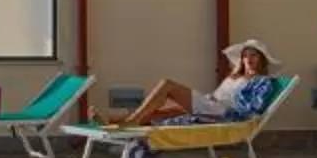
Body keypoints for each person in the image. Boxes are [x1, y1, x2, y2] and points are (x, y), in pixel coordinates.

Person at [115, 41, 276, 127]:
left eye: (253, 55)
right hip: (210, 104)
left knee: (167, 85)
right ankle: (111, 123)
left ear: (261, 59)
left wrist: (227, 108)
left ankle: (132, 120)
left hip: (221, 113)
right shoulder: (235, 76)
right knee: (158, 113)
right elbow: (219, 94)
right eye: (245, 55)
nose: (248, 59)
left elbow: (254, 108)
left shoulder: (262, 82)